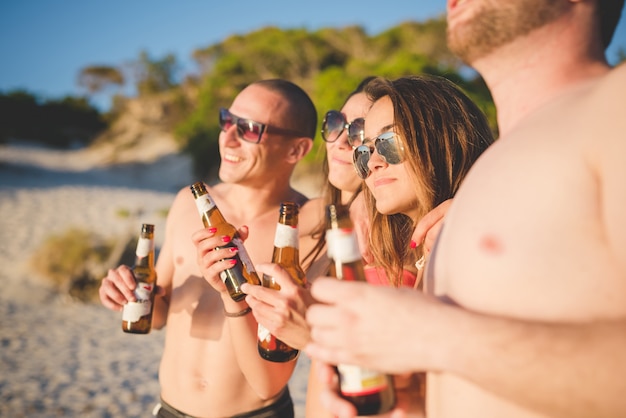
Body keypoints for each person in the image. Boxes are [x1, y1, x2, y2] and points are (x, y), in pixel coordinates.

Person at [305, 1, 626, 417]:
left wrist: (426, 333)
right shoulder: (494, 172)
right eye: (368, 149)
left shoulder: (613, 106)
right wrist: (417, 397)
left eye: (388, 142)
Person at [247, 74, 495, 416]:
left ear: (443, 138)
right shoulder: (427, 245)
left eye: (389, 141)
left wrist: (313, 337)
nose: (371, 161)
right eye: (367, 149)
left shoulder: (469, 245)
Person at [99, 78, 317, 417]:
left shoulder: (302, 229)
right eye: (227, 120)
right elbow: (157, 315)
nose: (227, 137)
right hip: (170, 408)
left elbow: (269, 383)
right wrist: (127, 292)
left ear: (296, 150)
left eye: (248, 129)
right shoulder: (188, 202)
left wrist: (235, 296)